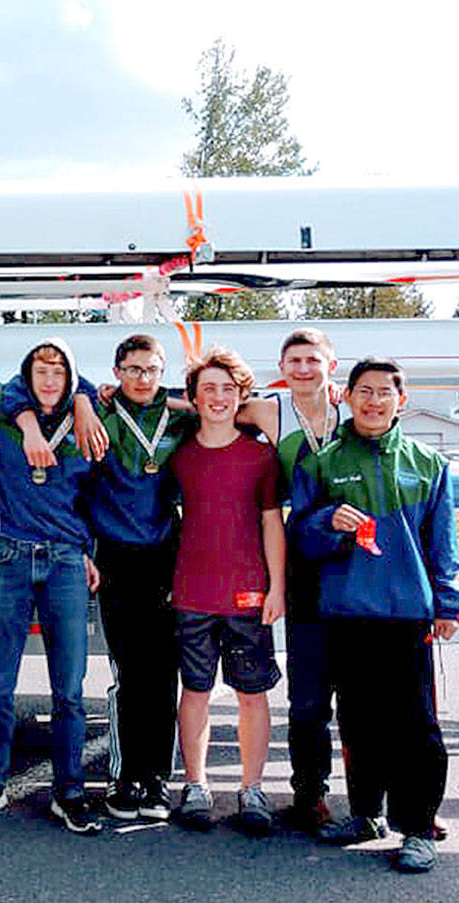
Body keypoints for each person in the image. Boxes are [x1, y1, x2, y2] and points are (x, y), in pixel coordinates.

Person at [291, 357, 459, 872]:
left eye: (384, 392)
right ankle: (366, 813)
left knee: (416, 726)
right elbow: (299, 536)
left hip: (408, 614)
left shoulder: (428, 464)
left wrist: (448, 602)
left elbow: (444, 542)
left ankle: (418, 827)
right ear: (347, 396)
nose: (373, 401)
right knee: (359, 721)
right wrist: (328, 521)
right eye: (364, 391)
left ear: (400, 400)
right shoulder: (322, 462)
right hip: (346, 611)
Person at [0, 338, 104, 835]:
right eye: (41, 370)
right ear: (27, 374)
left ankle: (70, 791)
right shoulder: (4, 414)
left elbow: (93, 497)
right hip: (11, 555)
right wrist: (30, 424)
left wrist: (83, 399)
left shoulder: (84, 422)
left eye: (60, 372)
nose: (50, 380)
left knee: (70, 689)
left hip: (64, 561)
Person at [169, 347, 286, 837]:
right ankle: (195, 784)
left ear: (241, 397)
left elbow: (272, 522)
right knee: (195, 690)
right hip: (192, 593)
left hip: (248, 594)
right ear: (193, 397)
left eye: (227, 389)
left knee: (251, 693)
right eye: (208, 389)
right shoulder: (177, 455)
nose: (218, 398)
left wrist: (277, 586)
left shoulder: (261, 456)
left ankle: (251, 788)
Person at [238, 328, 347, 830]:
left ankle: (374, 794)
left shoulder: (352, 407)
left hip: (357, 560)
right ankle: (310, 792)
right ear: (282, 367)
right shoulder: (270, 411)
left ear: (331, 365)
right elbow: (205, 405)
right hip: (303, 557)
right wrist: (101, 398)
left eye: (312, 360)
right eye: (294, 361)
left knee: (363, 688)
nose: (303, 369)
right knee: (308, 689)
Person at [90, 334, 194, 822]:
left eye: (151, 370)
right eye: (132, 369)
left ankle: (156, 778)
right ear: (117, 371)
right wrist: (86, 400)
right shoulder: (99, 414)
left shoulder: (181, 418)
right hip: (115, 555)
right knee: (128, 671)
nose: (142, 378)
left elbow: (239, 405)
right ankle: (125, 775)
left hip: (167, 554)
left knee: (163, 669)